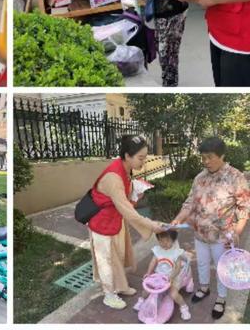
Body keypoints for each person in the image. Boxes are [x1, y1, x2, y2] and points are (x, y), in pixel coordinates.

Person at [171, 137, 250, 319]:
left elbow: (244, 207)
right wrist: (178, 218)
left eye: (210, 157)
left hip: (222, 236)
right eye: (203, 158)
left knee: (222, 268)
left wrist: (237, 231)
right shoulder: (200, 178)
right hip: (200, 233)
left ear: (221, 156)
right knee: (202, 263)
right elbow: (190, 202)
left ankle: (221, 298)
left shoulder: (235, 177)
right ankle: (204, 287)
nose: (206, 162)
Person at [88, 135, 165, 310]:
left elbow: (125, 200)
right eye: (140, 158)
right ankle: (109, 295)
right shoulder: (114, 177)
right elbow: (127, 210)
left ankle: (120, 287)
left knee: (118, 256)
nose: (143, 162)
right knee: (106, 259)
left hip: (114, 220)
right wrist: (151, 225)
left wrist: (135, 192)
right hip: (102, 223)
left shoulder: (124, 169)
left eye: (145, 157)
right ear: (127, 156)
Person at [133, 229, 192, 320]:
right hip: (159, 276)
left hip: (172, 277)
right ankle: (141, 300)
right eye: (161, 240)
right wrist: (148, 273)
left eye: (167, 241)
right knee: (147, 290)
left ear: (173, 240)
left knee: (173, 294)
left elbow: (177, 268)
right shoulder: (157, 250)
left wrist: (171, 277)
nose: (164, 243)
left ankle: (183, 307)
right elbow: (153, 262)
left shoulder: (176, 252)